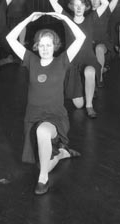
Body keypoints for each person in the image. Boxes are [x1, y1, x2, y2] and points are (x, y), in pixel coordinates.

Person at [5, 11, 86, 195]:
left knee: (43, 132)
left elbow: (81, 37)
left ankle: (43, 180)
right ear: (36, 46)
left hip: (54, 117)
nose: (45, 48)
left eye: (49, 45)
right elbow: (10, 38)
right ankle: (62, 153)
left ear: (55, 46)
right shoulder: (31, 60)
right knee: (44, 163)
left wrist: (64, 18)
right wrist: (28, 19)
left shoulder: (62, 61)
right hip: (33, 117)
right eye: (41, 45)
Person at [50, 0, 111, 118]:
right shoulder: (66, 19)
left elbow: (105, 3)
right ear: (72, 7)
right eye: (76, 5)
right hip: (72, 63)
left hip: (88, 59)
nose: (78, 8)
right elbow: (52, 0)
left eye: (81, 5)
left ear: (86, 7)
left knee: (90, 71)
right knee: (78, 105)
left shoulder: (91, 19)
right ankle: (84, 90)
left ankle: (90, 105)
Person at [76, 0, 119, 87]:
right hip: (88, 43)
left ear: (101, 0)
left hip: (103, 43)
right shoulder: (85, 11)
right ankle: (100, 68)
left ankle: (100, 78)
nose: (94, 1)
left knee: (99, 48)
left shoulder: (106, 10)